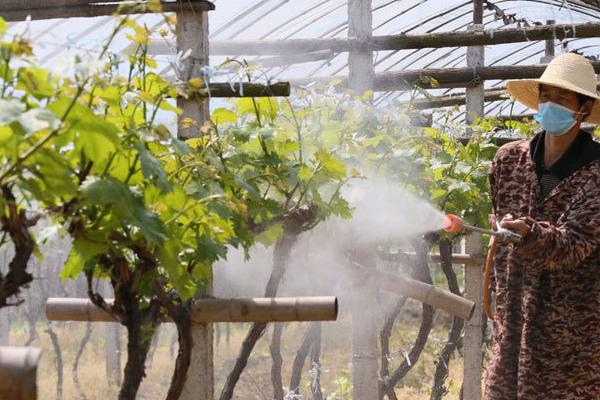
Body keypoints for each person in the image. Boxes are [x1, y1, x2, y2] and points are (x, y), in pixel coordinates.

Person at [485, 52, 600, 399]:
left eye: (562, 98)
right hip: (512, 331)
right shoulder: (508, 161)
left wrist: (529, 233)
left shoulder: (597, 173)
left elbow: (573, 244)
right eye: (545, 95)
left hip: (572, 346)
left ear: (582, 109)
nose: (550, 104)